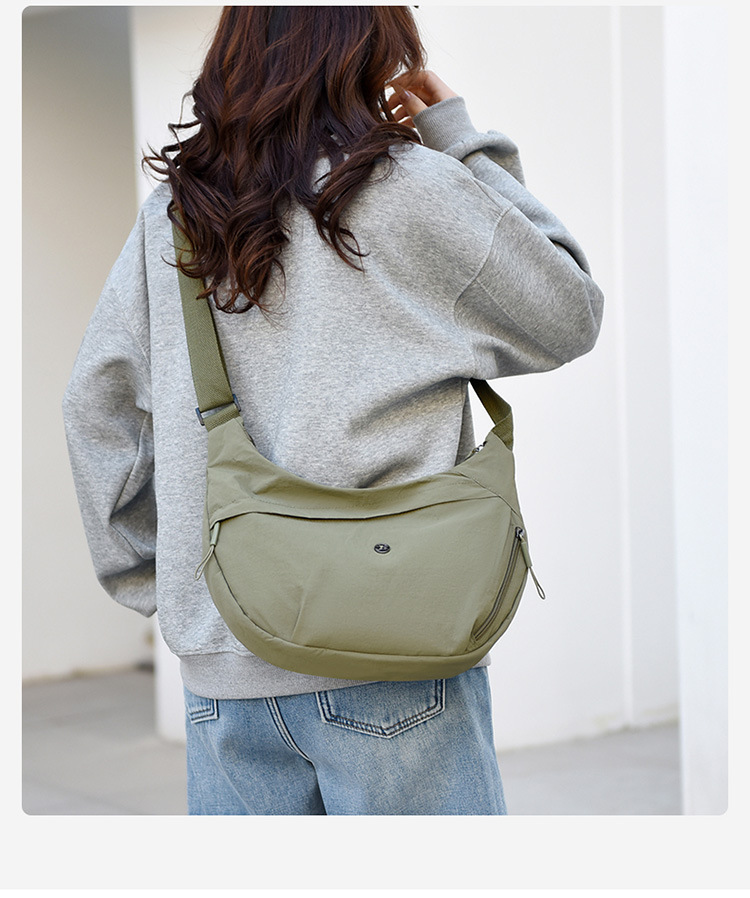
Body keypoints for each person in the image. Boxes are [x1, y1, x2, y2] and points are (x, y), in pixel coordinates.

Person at [63, 6, 603, 815]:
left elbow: (98, 410)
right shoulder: (412, 189)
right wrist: (460, 139)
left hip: (226, 670)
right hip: (397, 651)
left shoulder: (176, 214)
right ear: (373, 49)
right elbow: (567, 311)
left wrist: (169, 585)